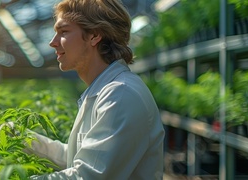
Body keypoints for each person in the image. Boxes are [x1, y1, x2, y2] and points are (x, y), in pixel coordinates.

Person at [25, 0, 165, 179]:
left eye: (63, 31)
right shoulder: (104, 90)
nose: (52, 42)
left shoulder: (120, 94)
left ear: (94, 35)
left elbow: (87, 175)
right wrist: (23, 139)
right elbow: (77, 157)